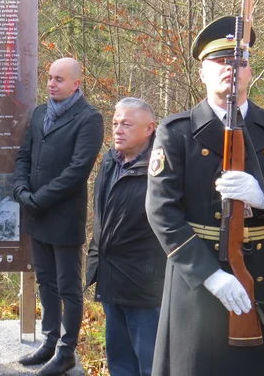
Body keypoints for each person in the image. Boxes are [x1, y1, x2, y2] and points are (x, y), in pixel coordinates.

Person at [145, 16, 264, 376]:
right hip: (198, 279)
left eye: (240, 62)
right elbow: (161, 211)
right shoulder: (176, 132)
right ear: (202, 74)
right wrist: (210, 275)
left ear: (250, 71)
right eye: (221, 62)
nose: (232, 69)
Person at [13, 57, 103, 376]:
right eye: (49, 77)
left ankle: (66, 351)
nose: (51, 83)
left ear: (76, 83)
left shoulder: (89, 119)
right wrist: (21, 191)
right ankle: (50, 342)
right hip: (36, 214)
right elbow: (24, 156)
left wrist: (39, 199)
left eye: (59, 79)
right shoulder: (39, 113)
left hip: (63, 217)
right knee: (46, 282)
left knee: (68, 286)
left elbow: (77, 171)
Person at [86, 97, 165, 376]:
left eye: (127, 124)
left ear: (149, 129)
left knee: (150, 364)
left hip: (145, 286)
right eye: (116, 123)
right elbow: (101, 218)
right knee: (120, 364)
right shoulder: (110, 160)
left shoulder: (162, 169)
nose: (118, 129)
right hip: (110, 279)